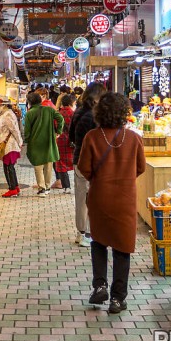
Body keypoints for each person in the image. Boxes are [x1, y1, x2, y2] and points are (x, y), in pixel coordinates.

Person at [77, 92, 146, 314]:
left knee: (98, 242)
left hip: (100, 197)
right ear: (124, 113)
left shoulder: (92, 137)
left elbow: (84, 168)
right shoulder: (134, 138)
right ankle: (117, 299)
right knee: (122, 247)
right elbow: (141, 168)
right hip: (125, 199)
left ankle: (100, 286)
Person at [69, 82, 107, 247]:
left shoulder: (78, 111)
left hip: (78, 160)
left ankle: (80, 233)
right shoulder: (94, 116)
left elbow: (70, 136)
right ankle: (87, 234)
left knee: (80, 197)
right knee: (91, 198)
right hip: (91, 162)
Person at [23, 91, 64, 196]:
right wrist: (58, 131)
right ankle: (47, 186)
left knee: (38, 166)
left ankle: (42, 188)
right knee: (48, 165)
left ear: (30, 102)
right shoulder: (49, 110)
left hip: (35, 143)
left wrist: (26, 140)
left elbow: (27, 130)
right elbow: (60, 119)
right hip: (49, 142)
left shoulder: (29, 113)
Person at [0, 99, 23, 198]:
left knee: (9, 167)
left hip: (9, 145)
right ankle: (15, 187)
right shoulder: (1, 115)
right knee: (8, 167)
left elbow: (14, 129)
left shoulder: (8, 115)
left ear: (4, 105)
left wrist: (19, 141)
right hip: (5, 145)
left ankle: (12, 189)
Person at [54, 93, 76, 194]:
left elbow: (54, 127)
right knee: (75, 161)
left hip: (60, 140)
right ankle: (78, 183)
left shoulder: (58, 114)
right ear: (71, 103)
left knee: (61, 163)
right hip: (71, 140)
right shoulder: (74, 114)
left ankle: (67, 187)